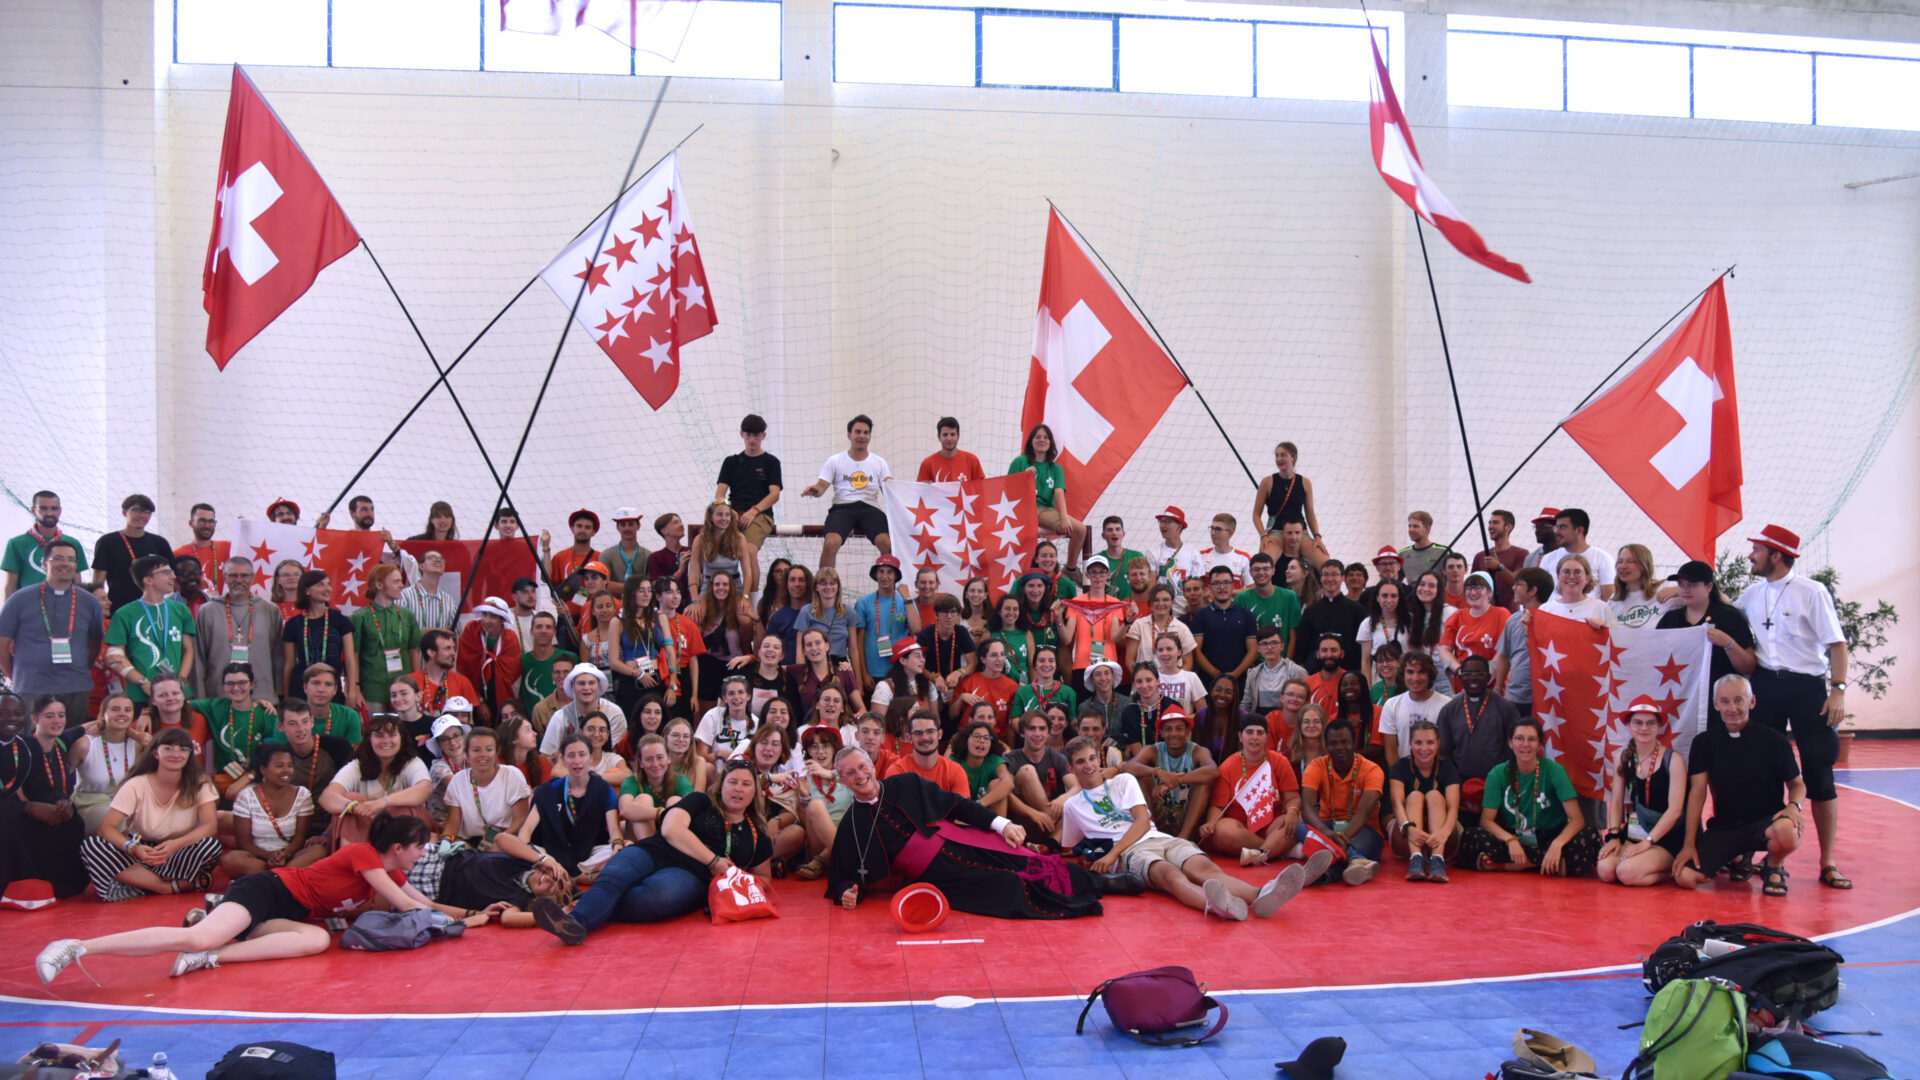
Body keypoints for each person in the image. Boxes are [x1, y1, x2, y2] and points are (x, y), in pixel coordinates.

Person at [40, 813, 457, 985]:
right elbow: (406, 905)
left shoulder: (394, 871)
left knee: (314, 942)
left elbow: (425, 904)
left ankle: (213, 956)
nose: (423, 854)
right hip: (268, 890)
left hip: (293, 913)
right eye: (420, 847)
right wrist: (439, 919)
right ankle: (78, 947)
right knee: (198, 937)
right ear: (399, 846)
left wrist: (473, 917)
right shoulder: (365, 856)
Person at [828, 746, 1102, 919]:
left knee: (1029, 860)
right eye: (850, 773)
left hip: (963, 843)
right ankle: (1077, 905)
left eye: (862, 767)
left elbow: (957, 804)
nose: (860, 775)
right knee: (1008, 886)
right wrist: (848, 892)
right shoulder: (852, 823)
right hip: (940, 878)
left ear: (872, 767)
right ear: (842, 781)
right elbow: (843, 875)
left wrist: (1001, 824)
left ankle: (1104, 884)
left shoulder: (906, 783)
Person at [1736, 524, 1850, 890]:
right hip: (1766, 684)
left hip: (1807, 688)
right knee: (1761, 770)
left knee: (1818, 771)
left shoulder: (1811, 592)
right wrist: (1678, 591)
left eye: (1756, 549)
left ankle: (1828, 862)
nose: (1751, 555)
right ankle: (1761, 855)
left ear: (1776, 554)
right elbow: (1721, 609)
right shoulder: (1752, 594)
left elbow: (1837, 644)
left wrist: (1838, 690)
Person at [1674, 674, 1806, 896]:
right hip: (1725, 827)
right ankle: (1738, 857)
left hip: (1766, 824)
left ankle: (1773, 866)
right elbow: (1697, 793)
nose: (1732, 708)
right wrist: (1689, 843)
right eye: (1725, 701)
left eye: (1739, 700)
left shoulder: (1774, 741)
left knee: (1787, 832)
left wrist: (1794, 806)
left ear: (1751, 701)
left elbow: (1798, 785)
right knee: (1684, 877)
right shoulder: (1704, 743)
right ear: (1716, 704)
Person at [77, 726, 222, 900]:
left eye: (183, 750)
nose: (176, 754)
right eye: (168, 748)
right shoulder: (136, 784)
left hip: (178, 850)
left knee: (210, 846)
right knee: (92, 844)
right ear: (155, 753)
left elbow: (210, 825)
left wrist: (176, 844)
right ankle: (166, 887)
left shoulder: (201, 782)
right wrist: (134, 849)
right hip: (139, 851)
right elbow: (107, 828)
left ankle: (138, 885)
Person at [1458, 717, 1599, 876]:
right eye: (1519, 739)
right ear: (1510, 743)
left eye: (1531, 739)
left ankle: (1512, 865)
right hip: (1512, 836)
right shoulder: (1497, 774)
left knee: (1589, 835)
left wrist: (1557, 844)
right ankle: (1544, 864)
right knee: (1471, 836)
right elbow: (1486, 821)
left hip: (1549, 836)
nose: (1525, 744)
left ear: (1539, 744)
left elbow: (1577, 819)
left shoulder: (1555, 770)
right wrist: (1510, 840)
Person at [0, 542, 105, 723]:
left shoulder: (89, 601)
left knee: (72, 744)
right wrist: (16, 674)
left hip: (76, 687)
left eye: (71, 560)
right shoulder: (19, 599)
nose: (65, 563)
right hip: (31, 686)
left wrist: (80, 669)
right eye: (58, 558)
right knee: (32, 744)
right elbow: (2, 643)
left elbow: (95, 643)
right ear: (44, 563)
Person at [1596, 698, 1687, 888]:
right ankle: (1643, 861)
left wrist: (1648, 842)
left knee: (1626, 873)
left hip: (1667, 836)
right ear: (1628, 725)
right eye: (1638, 722)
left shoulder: (1674, 760)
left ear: (1659, 726)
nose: (1644, 728)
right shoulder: (1622, 757)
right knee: (1605, 870)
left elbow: (1675, 810)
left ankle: (1671, 870)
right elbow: (1617, 801)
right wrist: (1614, 836)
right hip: (1637, 831)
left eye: (1650, 723)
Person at [1657, 560, 1756, 734]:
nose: (1685, 590)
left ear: (1709, 587)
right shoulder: (1671, 619)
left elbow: (1749, 665)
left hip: (1720, 704)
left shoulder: (1729, 617)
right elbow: (1653, 655)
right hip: (1681, 701)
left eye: (1692, 585)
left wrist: (1728, 643)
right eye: (1681, 584)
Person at [1199, 715, 1303, 867]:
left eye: (1260, 733)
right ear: (1240, 737)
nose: (1255, 737)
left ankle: (1262, 853)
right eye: (1250, 732)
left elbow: (1293, 798)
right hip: (1242, 829)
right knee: (1220, 831)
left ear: (1267, 737)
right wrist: (1210, 823)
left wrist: (1293, 811)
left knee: (1295, 820)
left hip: (1273, 825)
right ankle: (1278, 850)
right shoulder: (1228, 766)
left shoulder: (1280, 761)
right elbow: (1218, 806)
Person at [12, 696, 87, 897]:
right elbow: (16, 789)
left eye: (61, 716)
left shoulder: (61, 743)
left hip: (58, 809)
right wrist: (34, 808)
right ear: (35, 718)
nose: (57, 721)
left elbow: (89, 727)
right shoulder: (22, 746)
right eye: (49, 716)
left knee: (75, 823)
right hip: (31, 814)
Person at [521, 732, 623, 878]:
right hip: (551, 854)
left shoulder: (604, 789)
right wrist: (529, 853)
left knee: (626, 848)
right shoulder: (548, 791)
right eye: (571, 756)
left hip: (589, 854)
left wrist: (618, 846)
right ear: (563, 760)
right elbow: (526, 830)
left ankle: (570, 874)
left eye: (582, 754)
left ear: (591, 758)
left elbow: (614, 831)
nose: (577, 761)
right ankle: (583, 876)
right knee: (526, 850)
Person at [320, 716, 434, 846]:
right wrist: (356, 807)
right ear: (369, 739)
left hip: (404, 835)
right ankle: (352, 859)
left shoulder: (412, 763)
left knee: (405, 806)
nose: (386, 741)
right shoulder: (357, 766)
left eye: (391, 735)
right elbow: (327, 796)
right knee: (351, 799)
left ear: (401, 738)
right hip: (366, 831)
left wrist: (382, 803)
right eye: (379, 735)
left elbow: (425, 789)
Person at [1296, 719, 1384, 886]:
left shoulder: (1372, 770)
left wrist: (1344, 837)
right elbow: (1307, 808)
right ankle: (1356, 860)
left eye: (1345, 742)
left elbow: (1364, 812)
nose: (1339, 748)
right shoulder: (1316, 766)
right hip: (1327, 828)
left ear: (1354, 742)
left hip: (1362, 830)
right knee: (1301, 826)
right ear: (1326, 745)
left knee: (1362, 840)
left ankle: (1324, 873)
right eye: (1333, 743)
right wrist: (1326, 832)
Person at [803, 414, 893, 570]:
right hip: (843, 508)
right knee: (831, 543)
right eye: (858, 432)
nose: (862, 436)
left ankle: (889, 590)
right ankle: (824, 587)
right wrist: (815, 490)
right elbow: (821, 486)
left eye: (866, 432)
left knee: (887, 544)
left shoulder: (879, 463)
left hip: (870, 508)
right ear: (849, 435)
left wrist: (911, 490)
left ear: (870, 436)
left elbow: (891, 489)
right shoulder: (835, 460)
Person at [104, 554, 195, 708]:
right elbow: (114, 657)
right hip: (142, 694)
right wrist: (143, 682)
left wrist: (181, 680)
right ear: (148, 580)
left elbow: (188, 649)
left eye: (171, 572)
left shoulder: (181, 609)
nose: (173, 576)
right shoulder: (125, 613)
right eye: (166, 572)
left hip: (178, 693)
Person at [223, 742, 324, 877]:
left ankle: (270, 878)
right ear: (263, 769)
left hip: (290, 857)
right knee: (231, 859)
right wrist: (269, 856)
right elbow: (244, 843)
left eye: (289, 765)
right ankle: (284, 878)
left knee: (319, 851)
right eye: (279, 766)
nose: (286, 771)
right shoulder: (246, 796)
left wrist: (284, 854)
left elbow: (300, 838)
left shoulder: (302, 795)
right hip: (257, 858)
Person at [194, 554, 283, 705]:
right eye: (233, 575)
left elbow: (279, 657)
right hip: (218, 698)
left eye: (244, 575)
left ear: (253, 577)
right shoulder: (208, 610)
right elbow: (199, 658)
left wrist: (280, 695)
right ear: (225, 577)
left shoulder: (269, 610)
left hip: (263, 698)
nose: (239, 580)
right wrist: (200, 699)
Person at [1120, 704, 1217, 840]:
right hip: (1160, 811)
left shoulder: (1197, 751)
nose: (1173, 734)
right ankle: (1151, 831)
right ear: (1161, 732)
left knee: (1203, 783)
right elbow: (1127, 767)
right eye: (1168, 729)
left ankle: (1183, 838)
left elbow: (1213, 770)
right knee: (1140, 778)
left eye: (1179, 729)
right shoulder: (1153, 750)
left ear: (1188, 731)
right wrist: (1158, 772)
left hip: (1188, 815)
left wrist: (1174, 782)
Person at [1387, 719, 1460, 882]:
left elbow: (1454, 807)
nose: (1424, 749)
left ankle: (1437, 860)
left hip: (1443, 836)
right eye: (1418, 743)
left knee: (1434, 795)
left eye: (1430, 742)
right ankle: (1416, 858)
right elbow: (1397, 803)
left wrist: (1443, 833)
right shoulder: (1399, 767)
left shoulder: (1448, 768)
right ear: (1410, 744)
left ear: (1438, 743)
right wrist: (1408, 828)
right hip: (1406, 834)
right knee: (1414, 795)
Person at [439, 724, 533, 849]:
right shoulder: (458, 780)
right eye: (476, 750)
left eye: (489, 749)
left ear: (496, 753)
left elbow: (521, 819)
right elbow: (453, 824)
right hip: (472, 842)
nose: (483, 755)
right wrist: (446, 841)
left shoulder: (511, 774)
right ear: (467, 754)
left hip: (508, 839)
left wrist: (498, 843)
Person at [1010, 423, 1088, 571]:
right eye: (1037, 437)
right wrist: (1024, 478)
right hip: (1022, 510)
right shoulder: (1020, 462)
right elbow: (1008, 490)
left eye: (1046, 437)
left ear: (1051, 442)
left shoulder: (1055, 468)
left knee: (1080, 529)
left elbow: (1059, 492)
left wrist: (1064, 516)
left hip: (1044, 511)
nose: (1042, 440)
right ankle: (1033, 530)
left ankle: (1070, 569)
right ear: (1031, 441)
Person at [197, 662, 278, 799]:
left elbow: (270, 756)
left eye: (242, 683)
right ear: (223, 686)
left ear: (252, 684)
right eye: (229, 684)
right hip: (222, 778)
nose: (235, 688)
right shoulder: (216, 707)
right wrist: (147, 714)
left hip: (256, 779)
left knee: (246, 796)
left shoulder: (265, 713)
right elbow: (178, 703)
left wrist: (248, 777)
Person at [351, 564, 421, 716]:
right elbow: (354, 656)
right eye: (396, 581)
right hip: (373, 688)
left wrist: (417, 684)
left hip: (404, 687)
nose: (401, 585)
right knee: (377, 730)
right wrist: (355, 688)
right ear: (379, 584)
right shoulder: (360, 617)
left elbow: (413, 650)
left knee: (404, 730)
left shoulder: (406, 614)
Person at [281, 570, 358, 709]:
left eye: (328, 584)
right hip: (301, 687)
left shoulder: (340, 620)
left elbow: (350, 658)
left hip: (331, 686)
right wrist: (286, 697)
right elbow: (289, 664)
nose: (327, 588)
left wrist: (352, 691)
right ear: (307, 590)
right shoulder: (293, 624)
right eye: (321, 585)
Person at [73, 693, 148, 831]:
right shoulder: (85, 744)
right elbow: (65, 777)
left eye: (127, 710)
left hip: (125, 803)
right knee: (122, 825)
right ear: (103, 714)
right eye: (115, 709)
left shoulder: (136, 745)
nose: (122, 714)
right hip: (91, 804)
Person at [91, 495, 173, 612]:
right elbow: (98, 582)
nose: (142, 516)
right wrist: (98, 608)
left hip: (154, 607)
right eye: (136, 510)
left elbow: (171, 576)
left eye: (146, 511)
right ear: (124, 512)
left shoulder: (159, 542)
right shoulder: (107, 542)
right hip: (119, 608)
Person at [851, 554, 921, 689]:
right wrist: (864, 673)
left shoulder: (906, 602)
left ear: (896, 576)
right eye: (881, 572)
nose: (885, 576)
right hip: (872, 673)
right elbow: (859, 641)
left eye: (890, 572)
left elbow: (917, 628)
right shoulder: (863, 603)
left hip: (900, 669)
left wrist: (907, 598)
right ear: (876, 575)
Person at [715, 413, 784, 549]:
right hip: (732, 513)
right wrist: (728, 510)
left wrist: (754, 511)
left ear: (763, 436)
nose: (752, 440)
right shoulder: (730, 462)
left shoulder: (771, 462)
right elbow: (719, 493)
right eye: (748, 435)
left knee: (748, 550)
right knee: (717, 548)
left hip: (760, 514)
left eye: (756, 435)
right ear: (742, 434)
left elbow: (775, 494)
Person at [4, 490, 88, 596]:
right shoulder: (16, 544)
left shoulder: (72, 544)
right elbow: (10, 586)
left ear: (60, 511)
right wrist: (8, 612)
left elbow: (78, 584)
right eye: (43, 508)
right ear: (33, 510)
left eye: (54, 508)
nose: (49, 513)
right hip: (28, 607)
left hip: (63, 607)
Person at [1493, 567, 1552, 716]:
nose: (1513, 587)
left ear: (1533, 591)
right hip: (1515, 695)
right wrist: (1499, 689)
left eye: (1519, 584)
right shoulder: (1513, 620)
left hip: (1544, 694)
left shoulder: (1553, 619)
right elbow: (1504, 657)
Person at [1004, 710, 1073, 836]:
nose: (1037, 734)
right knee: (1027, 771)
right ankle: (1053, 834)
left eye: (1042, 729)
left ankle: (1049, 844)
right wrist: (1032, 812)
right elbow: (1003, 793)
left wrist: (1064, 797)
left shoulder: (1057, 758)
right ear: (1022, 733)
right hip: (1022, 823)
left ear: (1048, 733)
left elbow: (1077, 786)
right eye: (1032, 728)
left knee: (1075, 804)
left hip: (1051, 823)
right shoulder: (1010, 759)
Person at [1190, 565, 1259, 689]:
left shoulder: (1246, 615)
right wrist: (1216, 674)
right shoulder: (1200, 616)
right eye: (1216, 583)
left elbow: (1253, 651)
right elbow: (1196, 650)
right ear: (1209, 587)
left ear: (1233, 585)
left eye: (1226, 582)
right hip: (1208, 682)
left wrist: (1233, 675)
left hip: (1240, 682)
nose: (1222, 587)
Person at [1058, 559, 1127, 684]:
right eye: (1093, 572)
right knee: (1084, 703)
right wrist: (1058, 618)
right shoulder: (1077, 602)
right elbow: (1067, 638)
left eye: (1102, 572)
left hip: (1108, 665)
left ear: (1108, 574)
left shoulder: (1115, 603)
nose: (1097, 577)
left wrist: (1127, 622)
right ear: (1087, 575)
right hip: (1082, 665)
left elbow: (1115, 638)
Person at [1379, 651, 1453, 762]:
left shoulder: (1447, 704)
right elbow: (1391, 751)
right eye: (1410, 672)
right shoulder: (1391, 705)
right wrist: (1398, 777)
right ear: (1403, 674)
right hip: (1403, 774)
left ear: (1430, 675)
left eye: (1421, 672)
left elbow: (1448, 748)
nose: (1415, 678)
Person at [540, 664, 628, 756]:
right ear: (572, 685)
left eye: (591, 683)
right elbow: (546, 755)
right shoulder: (561, 716)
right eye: (581, 683)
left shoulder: (613, 712)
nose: (586, 688)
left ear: (599, 685)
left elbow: (617, 751)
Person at [1294, 559, 1365, 672]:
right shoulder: (1311, 612)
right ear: (1321, 578)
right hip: (1318, 671)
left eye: (1335, 575)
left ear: (1343, 578)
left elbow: (1361, 646)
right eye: (1326, 575)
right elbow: (1303, 644)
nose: (1330, 579)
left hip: (1349, 671)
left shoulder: (1357, 611)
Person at [620, 732, 694, 841]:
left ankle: (672, 850)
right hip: (640, 839)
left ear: (668, 758)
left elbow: (694, 809)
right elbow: (625, 809)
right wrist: (661, 812)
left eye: (660, 757)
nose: (655, 764)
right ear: (640, 763)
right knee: (643, 799)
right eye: (649, 759)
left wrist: (669, 812)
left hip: (672, 839)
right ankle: (651, 851)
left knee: (675, 801)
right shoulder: (631, 781)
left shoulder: (680, 780)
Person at [1141, 507, 1207, 617]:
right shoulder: (1153, 552)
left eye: (1167, 521)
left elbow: (1198, 585)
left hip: (1188, 612)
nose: (1162, 525)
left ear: (1179, 526)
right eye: (1161, 521)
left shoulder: (1193, 552)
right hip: (1163, 613)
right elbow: (1151, 585)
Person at [1539, 509, 1616, 599]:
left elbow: (1609, 598)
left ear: (1579, 530)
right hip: (1552, 613)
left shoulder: (1602, 558)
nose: (1557, 532)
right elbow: (1541, 596)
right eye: (1557, 527)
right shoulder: (1548, 559)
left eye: (1563, 527)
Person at [1235, 552, 1303, 655]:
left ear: (1273, 571)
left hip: (1282, 662)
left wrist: (1287, 664)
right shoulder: (1242, 598)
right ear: (1250, 572)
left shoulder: (1290, 597)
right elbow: (1240, 635)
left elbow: (1293, 635)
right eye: (1256, 569)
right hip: (1253, 664)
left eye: (1265, 569)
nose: (1261, 573)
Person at [690, 502, 760, 599]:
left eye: (727, 515)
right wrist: (695, 598)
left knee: (747, 614)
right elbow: (693, 571)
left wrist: (745, 596)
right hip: (709, 585)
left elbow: (747, 572)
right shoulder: (700, 539)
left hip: (734, 585)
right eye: (719, 514)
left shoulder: (739, 538)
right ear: (711, 517)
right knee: (694, 613)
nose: (724, 518)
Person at [792, 626, 863, 717]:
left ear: (827, 646)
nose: (814, 648)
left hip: (839, 728)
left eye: (818, 643)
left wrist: (855, 719)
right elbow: (773, 668)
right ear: (804, 651)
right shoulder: (798, 671)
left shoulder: (843, 672)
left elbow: (861, 709)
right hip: (809, 728)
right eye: (809, 645)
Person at [948, 718, 1015, 814]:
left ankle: (996, 828)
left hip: (985, 813)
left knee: (997, 784)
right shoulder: (954, 761)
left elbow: (1008, 784)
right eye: (977, 736)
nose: (982, 741)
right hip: (959, 813)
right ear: (966, 740)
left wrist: (978, 805)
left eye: (986, 738)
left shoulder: (993, 760)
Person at [954, 638, 1020, 735]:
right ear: (983, 659)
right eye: (994, 655)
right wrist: (961, 698)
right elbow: (952, 715)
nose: (1000, 659)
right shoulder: (969, 681)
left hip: (996, 740)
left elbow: (1010, 725)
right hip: (967, 737)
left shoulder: (1012, 686)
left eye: (1002, 654)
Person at [1124, 583, 1193, 672]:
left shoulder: (1182, 628)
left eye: (1166, 600)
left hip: (1173, 683)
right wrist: (1141, 679)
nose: (1161, 604)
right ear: (1150, 603)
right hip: (1144, 683)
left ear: (1172, 602)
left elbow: (1188, 662)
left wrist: (1176, 680)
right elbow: (1129, 660)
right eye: (1156, 600)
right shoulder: (1139, 625)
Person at [794, 568, 853, 667]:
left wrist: (858, 680)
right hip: (814, 664)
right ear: (816, 587)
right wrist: (801, 675)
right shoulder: (806, 611)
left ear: (838, 587)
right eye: (823, 583)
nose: (828, 587)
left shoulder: (848, 612)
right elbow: (800, 648)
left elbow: (853, 649)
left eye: (832, 583)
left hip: (841, 665)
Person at [1243, 625, 1308, 713]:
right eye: (1264, 643)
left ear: (1282, 646)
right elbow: (1245, 705)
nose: (1269, 647)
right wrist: (1244, 714)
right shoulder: (1253, 674)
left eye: (1274, 643)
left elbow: (1307, 703)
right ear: (1258, 648)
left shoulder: (1297, 672)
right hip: (1259, 723)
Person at [694, 674, 758, 760]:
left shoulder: (757, 722)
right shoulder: (713, 716)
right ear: (724, 698)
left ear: (749, 696)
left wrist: (732, 757)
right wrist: (718, 755)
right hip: (717, 771)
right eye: (731, 693)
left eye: (741, 692)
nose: (736, 697)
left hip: (746, 770)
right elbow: (700, 756)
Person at [1609, 544, 1674, 628]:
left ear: (1644, 565)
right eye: (1620, 561)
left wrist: (1678, 590)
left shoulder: (1665, 587)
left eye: (1631, 561)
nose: (1623, 566)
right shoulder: (1614, 600)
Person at [1536, 554, 1611, 628]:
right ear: (1558, 577)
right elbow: (1539, 638)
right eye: (1566, 572)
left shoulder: (1601, 608)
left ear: (1587, 578)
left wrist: (1603, 630)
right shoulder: (1546, 609)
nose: (1572, 576)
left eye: (1577, 572)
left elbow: (1614, 638)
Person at [1473, 509, 1525, 609]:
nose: (1490, 526)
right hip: (1484, 613)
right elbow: (1473, 585)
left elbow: (1517, 582)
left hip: (1510, 613)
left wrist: (1499, 567)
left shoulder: (1521, 554)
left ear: (1508, 527)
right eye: (1490, 523)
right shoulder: (1480, 556)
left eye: (1496, 522)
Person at [1011, 643, 1077, 721]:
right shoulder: (1022, 692)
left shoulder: (1068, 692)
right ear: (1035, 665)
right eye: (1041, 661)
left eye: (1051, 661)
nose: (1046, 664)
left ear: (1056, 665)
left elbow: (1072, 721)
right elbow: (1015, 719)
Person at [398, 549, 456, 632]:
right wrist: (435, 631)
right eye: (432, 557)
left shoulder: (449, 600)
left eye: (442, 559)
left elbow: (456, 634)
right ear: (421, 566)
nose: (438, 560)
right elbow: (399, 633)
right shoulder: (404, 596)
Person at [767, 564, 815, 663]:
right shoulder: (777, 617)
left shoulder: (817, 613)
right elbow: (770, 650)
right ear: (786, 585)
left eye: (801, 580)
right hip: (787, 672)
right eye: (792, 580)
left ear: (808, 584)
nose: (796, 584)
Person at [1092, 518, 1147, 603]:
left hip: (1132, 608)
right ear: (1103, 535)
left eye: (1118, 529)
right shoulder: (1097, 560)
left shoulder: (1136, 556)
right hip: (1108, 610)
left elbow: (1147, 583)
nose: (1114, 533)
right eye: (1110, 530)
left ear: (1123, 534)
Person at [917, 415, 986, 482]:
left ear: (958, 436)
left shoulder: (972, 460)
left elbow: (981, 489)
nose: (949, 438)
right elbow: (920, 492)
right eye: (945, 434)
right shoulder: (927, 464)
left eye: (952, 434)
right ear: (939, 437)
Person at [986, 594, 1034, 684]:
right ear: (999, 611)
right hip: (997, 686)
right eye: (1007, 608)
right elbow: (983, 664)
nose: (1011, 612)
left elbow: (1032, 665)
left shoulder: (1026, 634)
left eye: (1015, 609)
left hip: (1022, 687)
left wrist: (1035, 689)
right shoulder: (989, 634)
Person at [1399, 512, 1450, 586]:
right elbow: (1396, 580)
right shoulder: (1403, 554)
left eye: (1416, 526)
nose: (1411, 530)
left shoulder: (1443, 552)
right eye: (1409, 526)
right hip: (1412, 596)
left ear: (1427, 529)